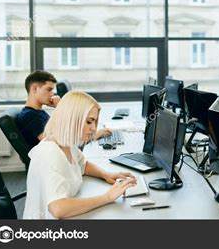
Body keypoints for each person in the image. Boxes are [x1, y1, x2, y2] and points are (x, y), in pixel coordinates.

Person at [23, 91, 136, 219]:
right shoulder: (49, 153)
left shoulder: (66, 143)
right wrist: (107, 197)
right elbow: (58, 208)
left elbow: (83, 165)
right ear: (71, 119)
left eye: (94, 122)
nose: (93, 128)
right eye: (89, 122)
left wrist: (106, 174)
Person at [16, 70, 111, 148]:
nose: (52, 93)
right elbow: (55, 143)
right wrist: (60, 107)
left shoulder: (38, 112)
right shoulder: (30, 115)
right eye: (49, 89)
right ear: (34, 89)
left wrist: (92, 135)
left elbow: (62, 134)